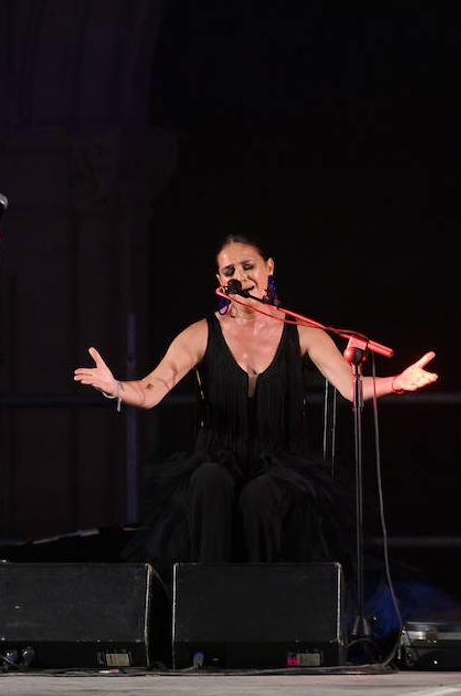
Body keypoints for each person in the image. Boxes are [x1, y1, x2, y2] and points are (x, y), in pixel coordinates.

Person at [73, 234, 438, 565]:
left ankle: (261, 607)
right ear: (220, 282)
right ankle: (208, 603)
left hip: (282, 459)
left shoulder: (303, 332)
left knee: (261, 496)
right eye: (229, 269)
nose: (240, 276)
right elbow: (153, 390)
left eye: (248, 266)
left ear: (269, 269)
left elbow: (350, 387)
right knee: (208, 482)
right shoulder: (201, 334)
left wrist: (398, 382)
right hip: (218, 454)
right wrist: (116, 386)